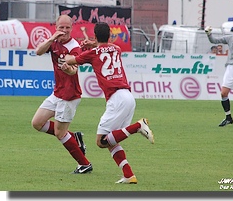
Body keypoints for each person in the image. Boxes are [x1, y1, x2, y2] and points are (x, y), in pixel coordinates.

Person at [63, 22, 154, 184]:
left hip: (117, 99)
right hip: (128, 97)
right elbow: (107, 47)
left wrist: (67, 55)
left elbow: (71, 60)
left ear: (95, 36)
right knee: (112, 141)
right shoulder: (116, 49)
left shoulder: (92, 53)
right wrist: (95, 44)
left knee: (101, 141)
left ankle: (138, 126)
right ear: (110, 36)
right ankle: (129, 175)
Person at [31, 14, 93, 174]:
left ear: (72, 29)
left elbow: (74, 70)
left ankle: (84, 164)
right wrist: (52, 38)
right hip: (57, 92)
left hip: (70, 95)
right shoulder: (54, 42)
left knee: (60, 133)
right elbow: (38, 51)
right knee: (37, 123)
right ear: (56, 27)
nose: (64, 30)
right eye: (61, 27)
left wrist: (68, 69)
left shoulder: (74, 47)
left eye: (67, 28)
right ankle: (75, 138)